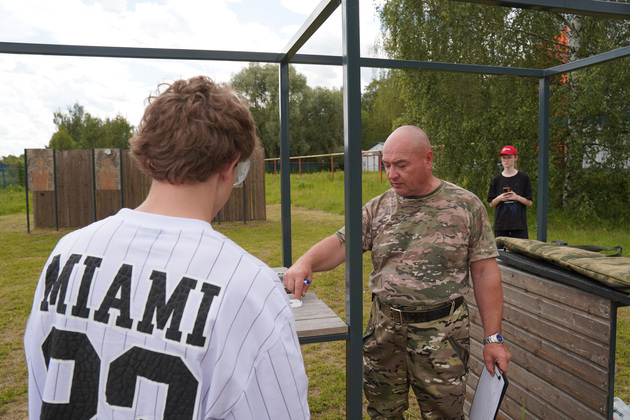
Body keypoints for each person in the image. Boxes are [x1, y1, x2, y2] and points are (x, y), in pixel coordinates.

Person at [24, 76, 310, 420]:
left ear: (151, 152)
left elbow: (40, 385)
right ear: (229, 164)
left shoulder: (66, 253)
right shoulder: (250, 287)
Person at [284, 125, 511, 419]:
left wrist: (493, 339)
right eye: (387, 165)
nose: (392, 174)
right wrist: (305, 261)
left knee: (445, 415)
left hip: (442, 336)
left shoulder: (465, 206)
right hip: (385, 333)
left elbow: (485, 273)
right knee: (383, 413)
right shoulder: (379, 208)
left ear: (428, 159)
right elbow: (341, 243)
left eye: (401, 165)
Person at [487, 145, 533, 239]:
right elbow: (491, 204)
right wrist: (500, 198)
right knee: (501, 249)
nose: (506, 160)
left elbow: (529, 202)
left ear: (515, 158)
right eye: (504, 158)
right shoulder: (496, 180)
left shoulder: (524, 178)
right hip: (501, 225)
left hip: (519, 225)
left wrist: (517, 197)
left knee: (521, 248)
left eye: (509, 157)